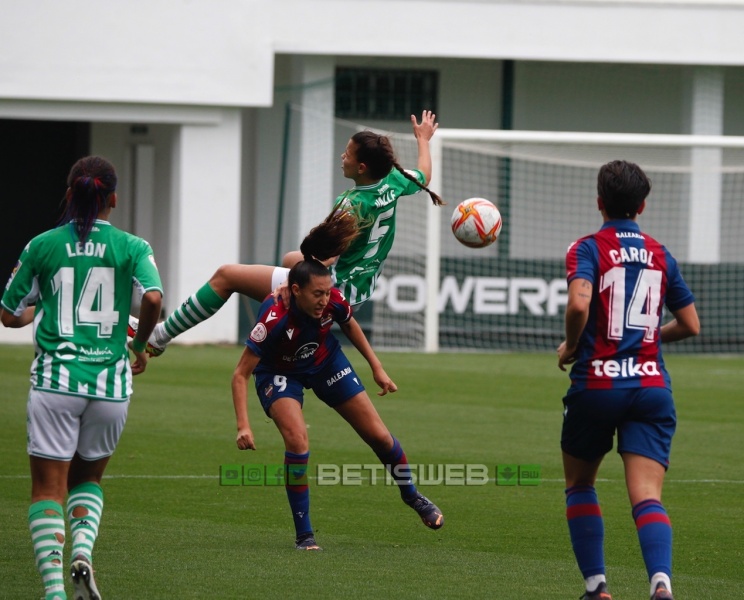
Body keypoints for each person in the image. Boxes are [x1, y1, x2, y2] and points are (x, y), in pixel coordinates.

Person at [128, 110, 444, 355]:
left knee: (227, 276)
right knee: (290, 259)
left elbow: (323, 257)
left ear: (362, 168)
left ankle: (159, 336)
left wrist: (304, 265)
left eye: (348, 153)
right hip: (360, 291)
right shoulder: (394, 181)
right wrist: (424, 141)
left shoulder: (351, 205)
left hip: (334, 291)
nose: (342, 157)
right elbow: (424, 174)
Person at [0, 156, 163, 600]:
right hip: (110, 386)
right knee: (87, 480)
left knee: (46, 488)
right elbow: (153, 297)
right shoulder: (134, 246)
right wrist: (138, 344)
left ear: (70, 195)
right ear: (112, 197)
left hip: (55, 383)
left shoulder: (41, 245)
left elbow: (8, 316)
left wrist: (45, 307)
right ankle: (83, 552)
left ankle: (54, 592)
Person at [230, 229, 444, 550]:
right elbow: (239, 374)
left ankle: (412, 495)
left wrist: (376, 367)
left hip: (326, 361)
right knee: (298, 440)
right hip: (279, 373)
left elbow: (349, 323)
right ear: (296, 290)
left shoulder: (330, 299)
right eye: (317, 294)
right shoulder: (272, 318)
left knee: (379, 436)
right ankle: (305, 536)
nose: (324, 300)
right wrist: (243, 425)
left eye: (328, 293)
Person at [557, 160, 700, 600]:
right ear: (642, 205)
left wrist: (570, 345)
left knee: (580, 485)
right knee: (646, 496)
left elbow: (580, 306)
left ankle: (598, 588)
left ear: (599, 202)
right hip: (651, 387)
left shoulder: (587, 248)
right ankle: (661, 583)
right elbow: (691, 324)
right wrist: (650, 338)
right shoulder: (661, 253)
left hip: (598, 386)